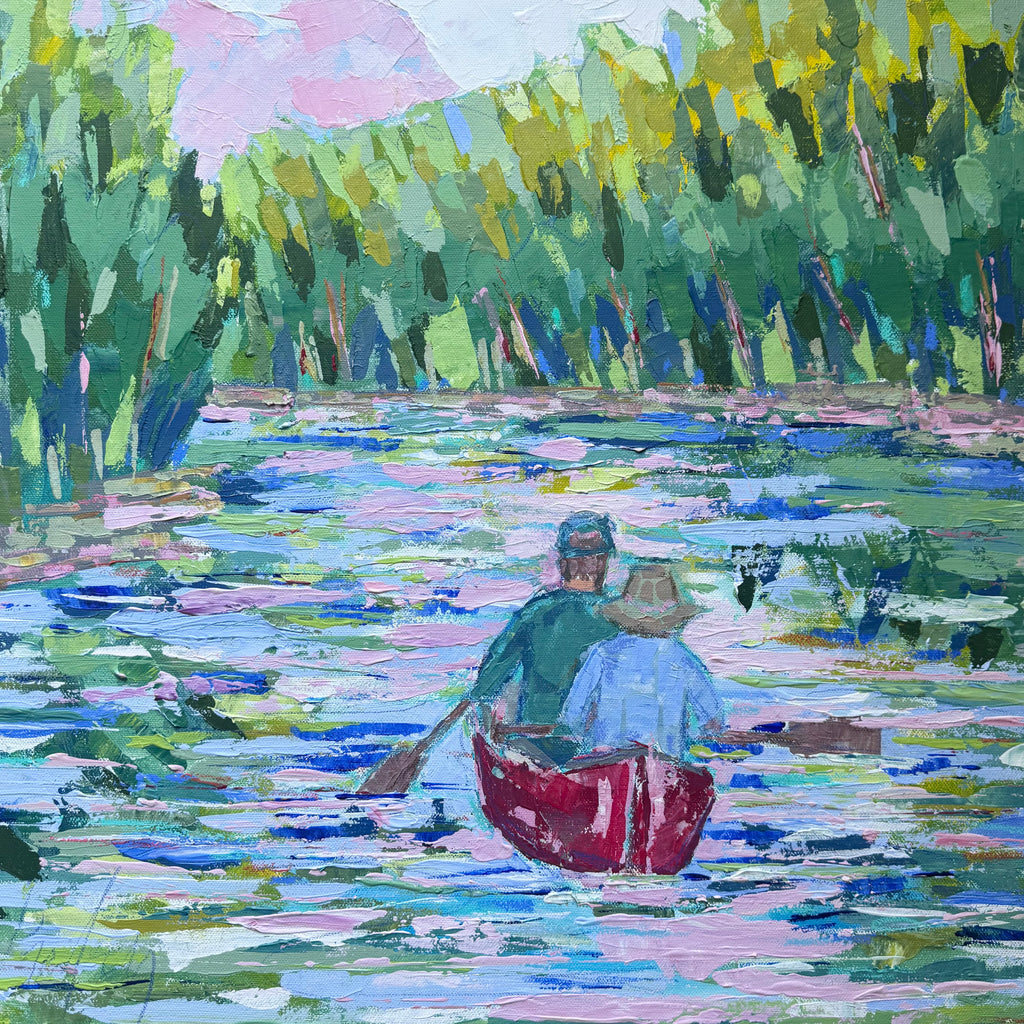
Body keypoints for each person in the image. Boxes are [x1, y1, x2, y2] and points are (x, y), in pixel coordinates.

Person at [469, 511, 620, 728]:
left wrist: (485, 721)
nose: (592, 564)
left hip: (536, 734)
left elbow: (487, 682)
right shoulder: (623, 615)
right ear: (604, 561)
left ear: (563, 563)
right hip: (601, 739)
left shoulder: (536, 612)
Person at [558, 562, 723, 761]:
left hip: (607, 760)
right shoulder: (681, 657)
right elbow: (713, 720)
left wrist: (587, 728)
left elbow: (573, 713)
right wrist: (688, 730)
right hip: (663, 761)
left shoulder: (603, 652)